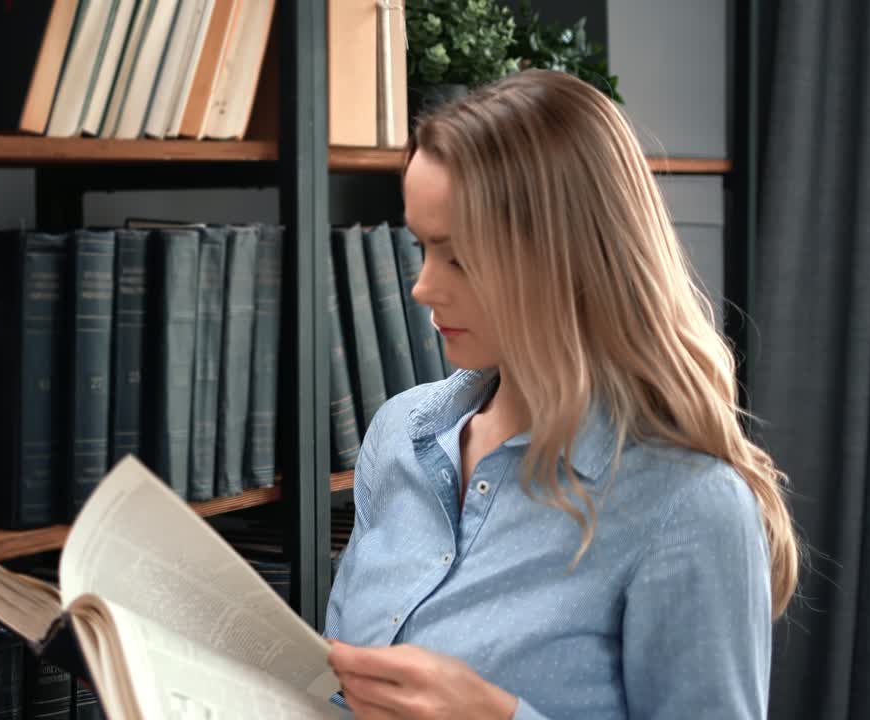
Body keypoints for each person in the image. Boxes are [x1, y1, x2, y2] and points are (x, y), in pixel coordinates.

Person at [324, 69, 798, 720]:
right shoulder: (399, 433)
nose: (422, 287)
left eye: (458, 257)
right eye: (422, 247)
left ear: (566, 259)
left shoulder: (690, 507)